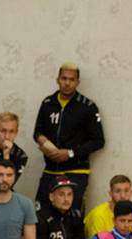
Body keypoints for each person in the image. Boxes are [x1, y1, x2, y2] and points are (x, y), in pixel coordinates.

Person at [33, 64, 105, 212]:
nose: (67, 83)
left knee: (72, 217)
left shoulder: (88, 107)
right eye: (64, 78)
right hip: (50, 170)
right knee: (41, 214)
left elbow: (98, 141)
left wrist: (70, 153)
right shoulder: (47, 103)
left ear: (78, 82)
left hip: (76, 172)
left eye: (71, 79)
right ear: (57, 80)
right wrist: (45, 144)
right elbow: (37, 132)